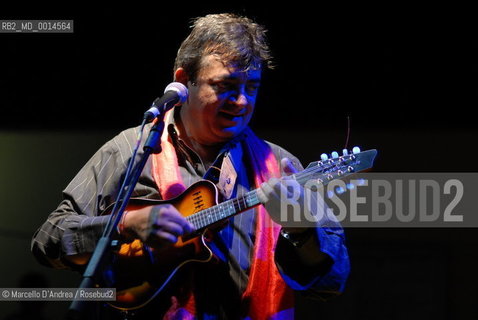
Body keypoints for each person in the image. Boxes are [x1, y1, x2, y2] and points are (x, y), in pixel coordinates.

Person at [31, 13, 350, 320]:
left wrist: (301, 230)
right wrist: (127, 223)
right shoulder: (130, 149)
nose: (241, 100)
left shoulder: (281, 166)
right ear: (184, 81)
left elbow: (332, 282)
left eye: (251, 87)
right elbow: (49, 241)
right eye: (226, 85)